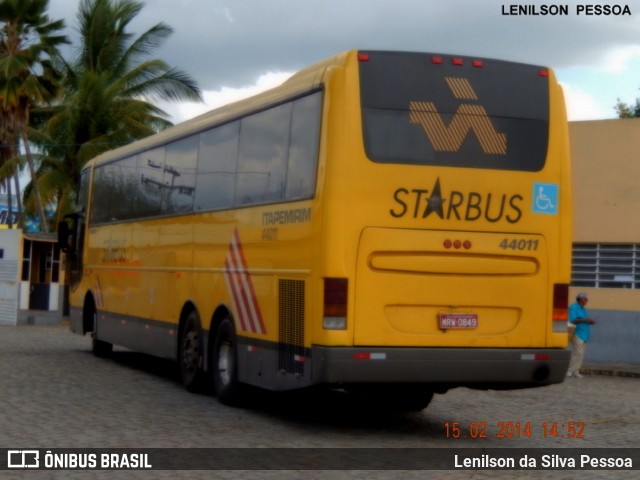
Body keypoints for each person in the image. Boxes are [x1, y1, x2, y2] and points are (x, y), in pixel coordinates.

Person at [567, 293, 596, 378]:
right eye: (585, 299)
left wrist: (590, 322)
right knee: (578, 352)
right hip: (577, 332)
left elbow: (583, 320)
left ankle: (576, 370)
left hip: (584, 333)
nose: (587, 300)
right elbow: (573, 320)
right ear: (580, 299)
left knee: (581, 353)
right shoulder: (573, 307)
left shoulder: (583, 309)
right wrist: (586, 319)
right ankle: (569, 370)